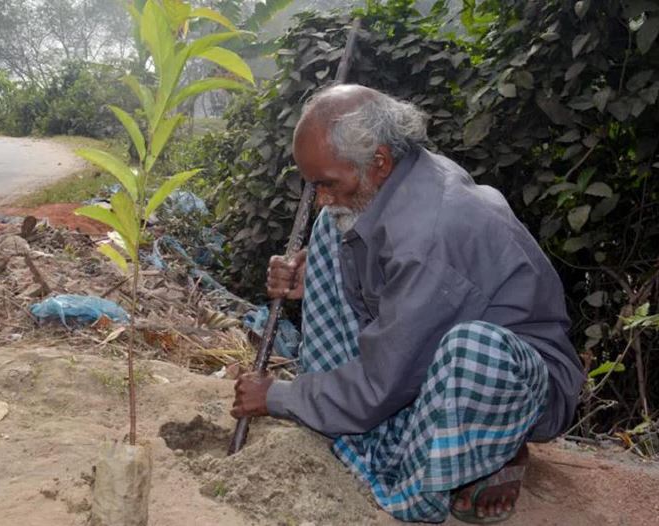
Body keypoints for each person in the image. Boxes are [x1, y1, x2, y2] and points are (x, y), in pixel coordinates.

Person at [229, 84, 585, 524]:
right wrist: (315, 276)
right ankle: (374, 430)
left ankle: (465, 465)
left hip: (515, 381)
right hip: (426, 349)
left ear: (379, 161)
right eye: (313, 184)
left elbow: (384, 380)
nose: (319, 196)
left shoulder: (433, 230)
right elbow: (383, 288)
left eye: (327, 183)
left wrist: (279, 397)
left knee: (473, 350)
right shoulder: (401, 176)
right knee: (329, 230)